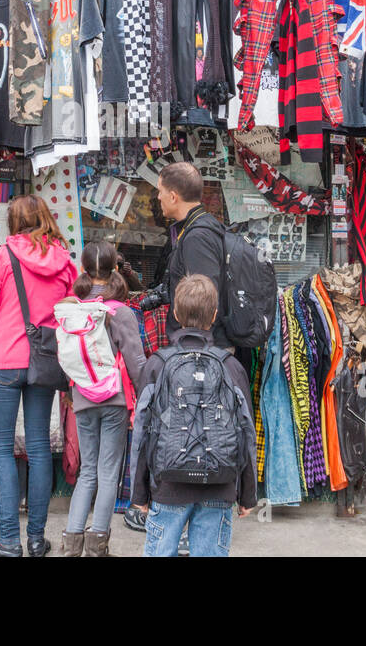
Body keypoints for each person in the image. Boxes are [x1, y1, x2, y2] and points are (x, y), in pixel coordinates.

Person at [0, 194, 77, 557]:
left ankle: (9, 541)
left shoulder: (4, 256)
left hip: (4, 360)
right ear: (45, 218)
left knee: (1, 450)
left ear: (14, 222)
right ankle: (36, 539)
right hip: (45, 361)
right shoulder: (63, 261)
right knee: (40, 448)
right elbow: (75, 310)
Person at [132, 275, 257, 557]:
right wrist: (247, 493)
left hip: (168, 485)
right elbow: (245, 431)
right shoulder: (231, 366)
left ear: (175, 314)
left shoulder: (157, 364)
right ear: (214, 316)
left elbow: (141, 431)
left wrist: (139, 492)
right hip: (219, 484)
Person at [60, 241, 148, 557]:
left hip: (82, 397)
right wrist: (145, 394)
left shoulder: (71, 309)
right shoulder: (120, 311)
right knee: (108, 473)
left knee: (87, 471)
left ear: (84, 268)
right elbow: (136, 362)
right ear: (114, 268)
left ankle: (71, 543)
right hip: (113, 400)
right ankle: (98, 544)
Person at [156, 162, 227, 347]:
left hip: (201, 351)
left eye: (160, 191)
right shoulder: (196, 228)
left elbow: (205, 299)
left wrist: (197, 352)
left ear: (172, 197)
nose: (158, 197)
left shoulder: (197, 238)